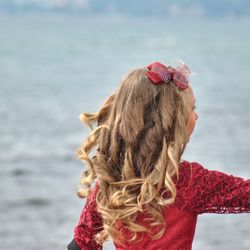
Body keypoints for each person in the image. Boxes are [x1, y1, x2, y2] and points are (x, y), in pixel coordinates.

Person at [67, 61, 250, 250]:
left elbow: (80, 244)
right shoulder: (189, 181)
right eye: (192, 109)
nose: (196, 116)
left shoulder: (112, 181)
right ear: (172, 123)